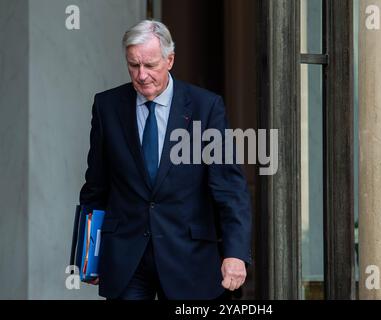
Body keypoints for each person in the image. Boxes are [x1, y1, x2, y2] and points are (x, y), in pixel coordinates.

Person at [78, 20, 252, 300]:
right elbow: (95, 188)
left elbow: (229, 187)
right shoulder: (107, 106)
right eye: (133, 65)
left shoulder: (205, 108)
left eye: (150, 65)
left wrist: (235, 253)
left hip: (188, 257)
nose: (142, 75)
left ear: (170, 60)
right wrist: (88, 255)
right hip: (126, 258)